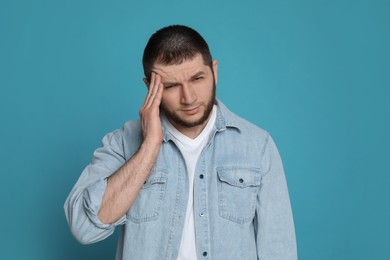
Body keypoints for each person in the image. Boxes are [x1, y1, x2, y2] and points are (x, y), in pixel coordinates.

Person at [64, 24, 297, 260]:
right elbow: (84, 228)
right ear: (150, 87)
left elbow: (279, 250)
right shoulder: (123, 143)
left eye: (197, 78)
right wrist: (148, 148)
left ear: (214, 71)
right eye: (172, 86)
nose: (189, 98)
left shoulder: (258, 146)